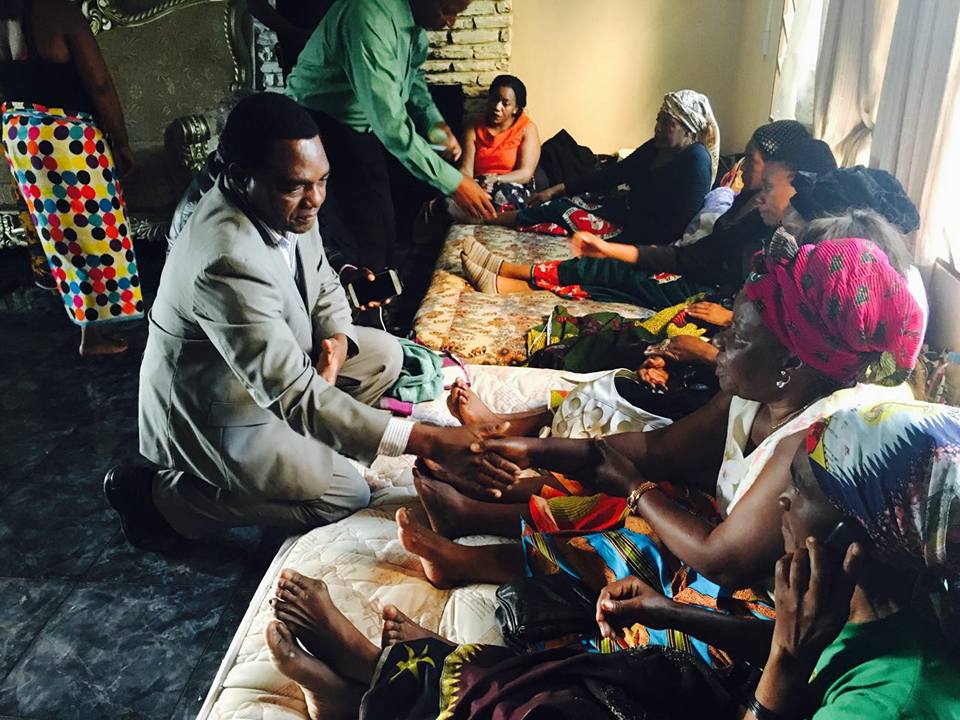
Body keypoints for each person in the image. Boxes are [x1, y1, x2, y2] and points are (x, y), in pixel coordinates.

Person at [397, 234, 924, 667]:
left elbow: (722, 561)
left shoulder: (819, 441)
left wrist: (633, 488)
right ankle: (469, 550)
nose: (716, 346)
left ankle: (484, 636)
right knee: (624, 516)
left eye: (735, 338)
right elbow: (656, 449)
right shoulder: (755, 391)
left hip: (768, 607)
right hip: (721, 545)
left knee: (636, 564)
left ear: (792, 364)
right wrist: (526, 448)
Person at [256, 404, 960, 720]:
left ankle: (367, 696)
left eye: (798, 493)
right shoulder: (872, 601)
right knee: (624, 668)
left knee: (567, 709)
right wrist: (670, 612)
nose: (777, 506)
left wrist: (775, 671)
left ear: (858, 543)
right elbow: (813, 649)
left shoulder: (891, 705)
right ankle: (380, 680)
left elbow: (794, 670)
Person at [102, 94, 515, 553]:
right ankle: (165, 499)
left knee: (386, 357)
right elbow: (293, 392)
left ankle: (319, 431)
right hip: (214, 407)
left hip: (272, 370)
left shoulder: (288, 197)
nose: (316, 200)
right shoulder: (224, 258)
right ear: (240, 178)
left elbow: (320, 280)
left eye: (323, 181)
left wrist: (337, 340)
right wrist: (430, 442)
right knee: (341, 493)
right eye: (298, 186)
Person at [460, 126, 836, 316]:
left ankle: (513, 278)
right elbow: (692, 253)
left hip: (705, 292)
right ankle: (512, 276)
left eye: (753, 165)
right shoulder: (752, 207)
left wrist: (730, 317)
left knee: (619, 277)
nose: (660, 125)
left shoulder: (801, 241)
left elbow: (676, 234)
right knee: (608, 264)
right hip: (688, 268)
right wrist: (611, 246)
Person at [284, 0, 495, 274]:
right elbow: (390, 123)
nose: (451, 22)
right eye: (448, 11)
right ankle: (357, 304)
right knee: (355, 238)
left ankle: (379, 297)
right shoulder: (368, 15)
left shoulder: (413, 24)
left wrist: (435, 126)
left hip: (360, 125)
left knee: (381, 228)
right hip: (318, 126)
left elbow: (413, 81)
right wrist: (454, 183)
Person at [0, 0, 141, 355]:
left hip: (18, 133)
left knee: (59, 237)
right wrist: (121, 141)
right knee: (96, 233)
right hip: (63, 136)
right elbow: (100, 83)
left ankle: (84, 327)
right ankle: (94, 336)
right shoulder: (57, 10)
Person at [489, 89, 717, 248]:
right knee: (563, 203)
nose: (658, 128)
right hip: (624, 213)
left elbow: (678, 225)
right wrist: (558, 188)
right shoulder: (658, 146)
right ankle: (501, 215)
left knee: (559, 211)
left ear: (688, 131)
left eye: (668, 124)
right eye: (659, 119)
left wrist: (620, 247)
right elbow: (613, 174)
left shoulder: (695, 161)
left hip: (641, 236)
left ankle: (489, 219)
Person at [456, 74, 540, 211]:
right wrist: (475, 186)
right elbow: (466, 170)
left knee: (501, 197)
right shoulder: (473, 128)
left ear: (516, 109)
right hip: (480, 183)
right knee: (450, 200)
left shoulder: (527, 128)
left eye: (505, 103)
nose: (497, 107)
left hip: (512, 183)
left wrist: (496, 179)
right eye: (494, 99)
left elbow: (525, 173)